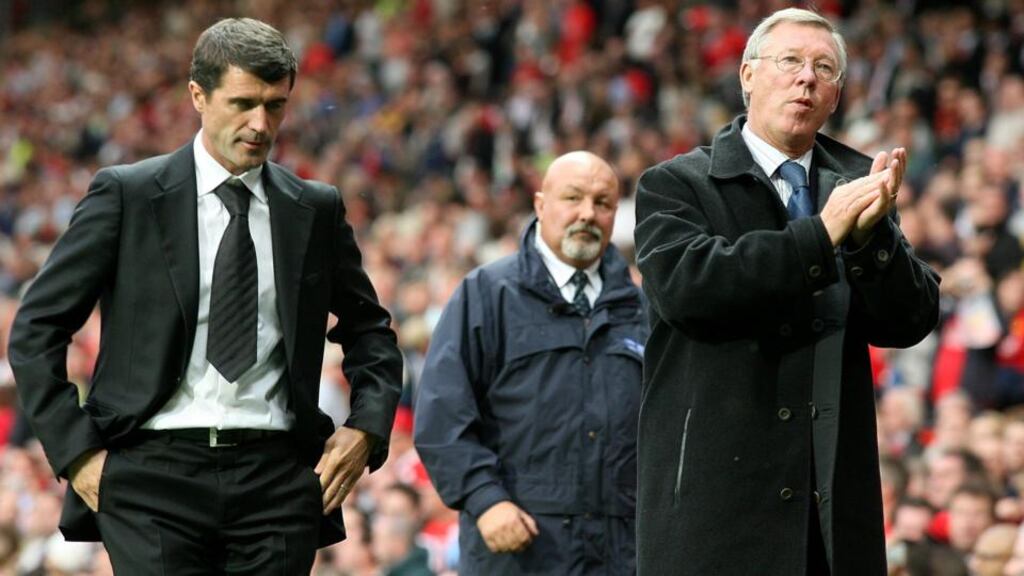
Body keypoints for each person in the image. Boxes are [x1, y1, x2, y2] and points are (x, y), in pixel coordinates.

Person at [7, 17, 402, 574]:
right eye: (243, 103)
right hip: (150, 476)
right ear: (198, 94)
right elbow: (36, 329)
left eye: (275, 105)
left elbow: (371, 333)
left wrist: (366, 428)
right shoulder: (128, 195)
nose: (260, 124)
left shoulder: (314, 208)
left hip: (277, 480)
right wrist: (77, 454)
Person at [633, 7, 940, 576]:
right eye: (791, 62)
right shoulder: (676, 184)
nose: (807, 78)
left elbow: (911, 319)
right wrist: (821, 236)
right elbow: (690, 289)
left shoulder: (856, 182)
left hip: (829, 512)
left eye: (824, 68)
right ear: (748, 75)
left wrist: (874, 243)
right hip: (715, 514)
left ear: (836, 95)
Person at [414, 151, 647, 574]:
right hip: (516, 550)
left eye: (602, 203)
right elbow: (441, 418)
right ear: (541, 205)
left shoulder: (642, 308)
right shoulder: (486, 294)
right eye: (572, 198)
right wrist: (484, 500)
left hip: (619, 553)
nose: (586, 214)